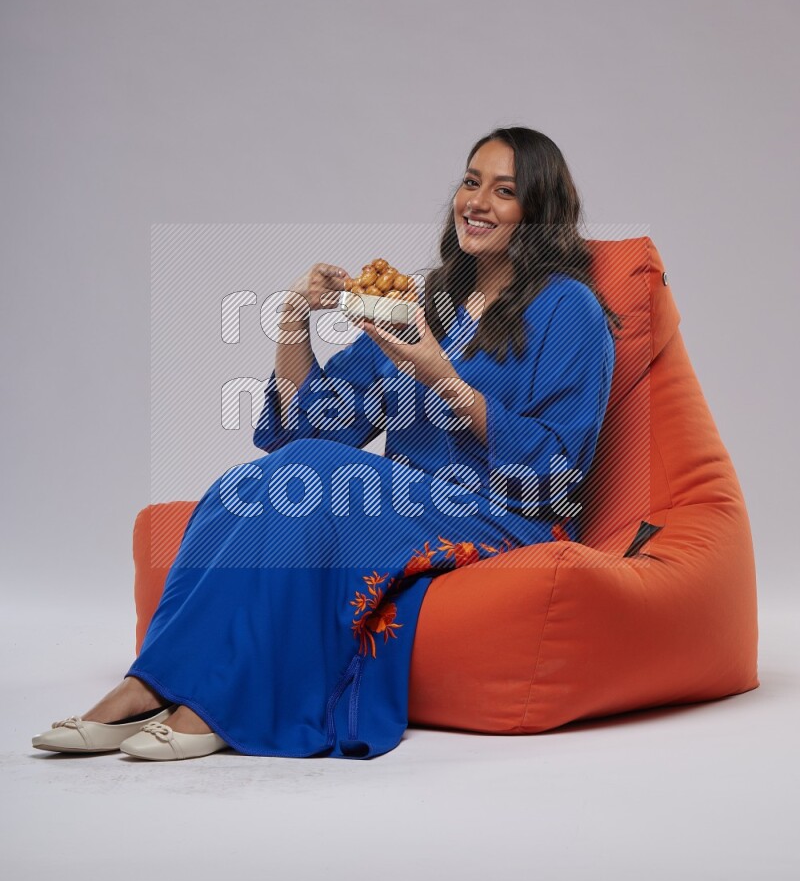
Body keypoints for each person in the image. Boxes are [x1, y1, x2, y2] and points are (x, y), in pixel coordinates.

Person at [32, 127, 621, 762]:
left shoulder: (572, 311)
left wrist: (443, 380)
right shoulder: (430, 303)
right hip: (409, 499)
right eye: (470, 181)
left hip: (500, 513)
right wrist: (293, 324)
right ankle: (145, 683)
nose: (476, 202)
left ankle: (217, 705)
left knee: (310, 478)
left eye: (503, 191)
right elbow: (310, 430)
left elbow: (560, 471)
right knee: (242, 486)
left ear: (537, 210)